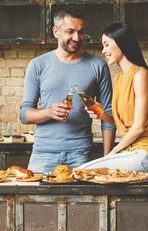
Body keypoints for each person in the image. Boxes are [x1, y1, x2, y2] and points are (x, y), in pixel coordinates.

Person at [20, 5, 116, 174]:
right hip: (43, 154)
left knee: (85, 201)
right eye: (70, 31)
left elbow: (108, 114)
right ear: (56, 32)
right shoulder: (38, 65)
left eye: (80, 31)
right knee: (37, 201)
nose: (77, 37)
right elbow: (24, 114)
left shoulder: (98, 65)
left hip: (82, 154)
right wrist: (49, 112)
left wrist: (107, 159)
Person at [78, 23, 148, 173]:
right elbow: (123, 124)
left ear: (121, 43)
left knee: (83, 171)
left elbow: (138, 128)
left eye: (106, 45)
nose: (103, 51)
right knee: (86, 172)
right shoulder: (119, 79)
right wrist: (102, 115)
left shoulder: (140, 75)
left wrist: (111, 154)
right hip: (129, 153)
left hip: (145, 153)